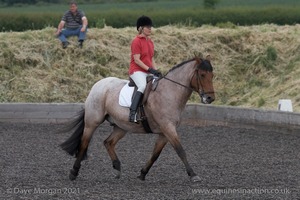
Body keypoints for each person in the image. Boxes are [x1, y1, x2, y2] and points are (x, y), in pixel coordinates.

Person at [128, 15, 162, 123]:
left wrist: (156, 70)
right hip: (136, 70)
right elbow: (137, 60)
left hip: (147, 71)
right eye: (148, 27)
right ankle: (132, 113)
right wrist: (149, 69)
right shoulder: (136, 41)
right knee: (142, 86)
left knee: (159, 84)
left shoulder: (150, 42)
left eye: (150, 27)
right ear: (141, 28)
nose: (150, 28)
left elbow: (151, 58)